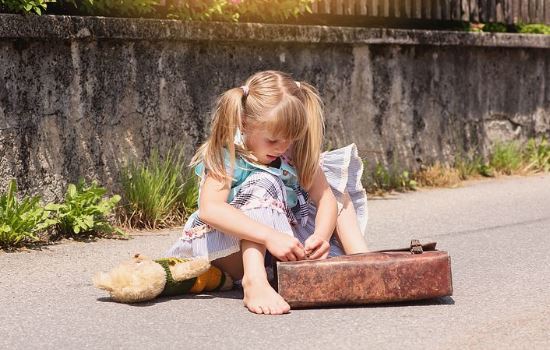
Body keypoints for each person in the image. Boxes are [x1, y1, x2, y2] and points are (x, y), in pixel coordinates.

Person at [166, 70, 368, 315]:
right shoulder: (229, 155)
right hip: (230, 250)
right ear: (244, 123)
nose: (282, 147)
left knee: (337, 188)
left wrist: (322, 237)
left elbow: (325, 198)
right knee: (264, 180)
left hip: (283, 249)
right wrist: (269, 236)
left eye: (290, 139)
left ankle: (362, 260)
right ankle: (255, 281)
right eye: (273, 141)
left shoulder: (292, 154)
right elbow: (210, 209)